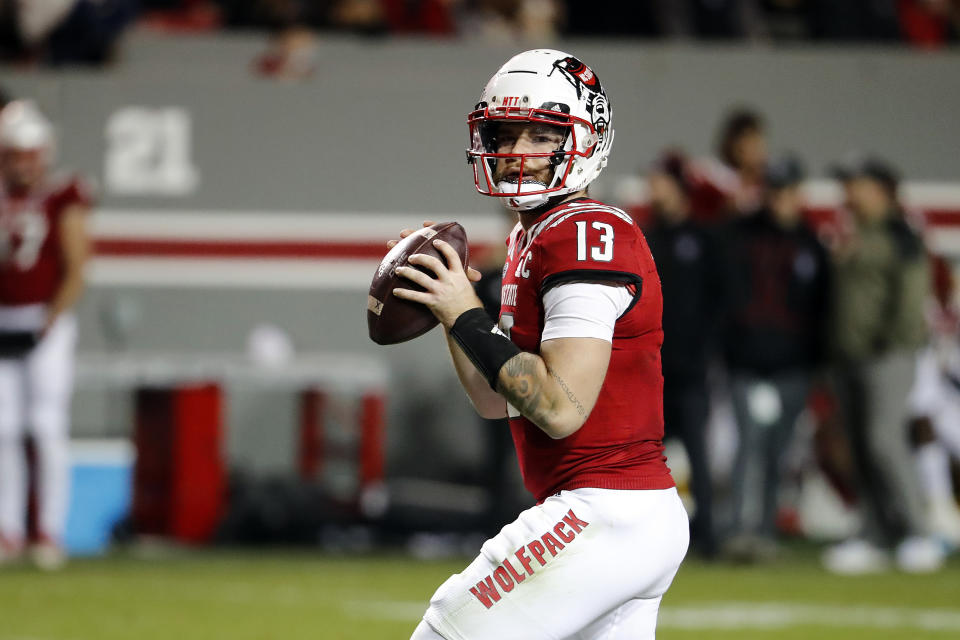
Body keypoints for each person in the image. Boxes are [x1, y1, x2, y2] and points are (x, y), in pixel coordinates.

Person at [388, 49, 688, 640]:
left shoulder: (584, 234)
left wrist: (468, 316)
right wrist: (452, 309)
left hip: (606, 510)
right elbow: (496, 399)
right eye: (506, 133)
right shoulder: (538, 234)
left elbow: (556, 407)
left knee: (444, 632)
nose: (517, 150)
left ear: (585, 139)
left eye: (540, 133)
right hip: (623, 517)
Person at [822, 154, 943, 574]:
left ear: (880, 190)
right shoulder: (853, 233)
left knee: (883, 441)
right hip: (849, 357)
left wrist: (890, 342)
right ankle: (874, 532)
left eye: (857, 184)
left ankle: (919, 531)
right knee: (858, 447)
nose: (849, 193)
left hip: (886, 356)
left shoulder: (900, 234)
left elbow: (912, 298)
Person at [719, 155, 831, 561]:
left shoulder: (811, 244)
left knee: (777, 453)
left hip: (793, 367)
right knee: (747, 448)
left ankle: (763, 531)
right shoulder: (739, 237)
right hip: (747, 362)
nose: (781, 198)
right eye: (775, 190)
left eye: (787, 190)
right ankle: (739, 531)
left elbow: (821, 309)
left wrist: (816, 363)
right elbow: (727, 299)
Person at [0, 100, 92, 569]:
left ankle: (49, 530)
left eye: (29, 152)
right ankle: (9, 530)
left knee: (46, 425)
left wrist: (48, 321)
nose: (23, 163)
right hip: (3, 319)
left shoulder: (62, 194)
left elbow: (77, 264)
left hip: (45, 320)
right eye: (14, 153)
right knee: (3, 429)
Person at [643, 149, 723, 558]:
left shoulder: (704, 239)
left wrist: (707, 351)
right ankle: (653, 537)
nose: (652, 188)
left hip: (690, 368)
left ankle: (707, 534)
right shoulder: (644, 236)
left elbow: (719, 301)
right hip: (650, 369)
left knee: (696, 452)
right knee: (645, 454)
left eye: (659, 180)